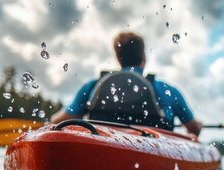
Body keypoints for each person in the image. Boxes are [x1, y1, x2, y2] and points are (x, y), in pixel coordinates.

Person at [51, 32, 203, 137]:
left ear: (118, 58)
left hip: (103, 148)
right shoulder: (168, 91)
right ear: (143, 57)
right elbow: (193, 129)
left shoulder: (92, 86)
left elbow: (59, 122)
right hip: (151, 152)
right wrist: (198, 127)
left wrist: (52, 118)